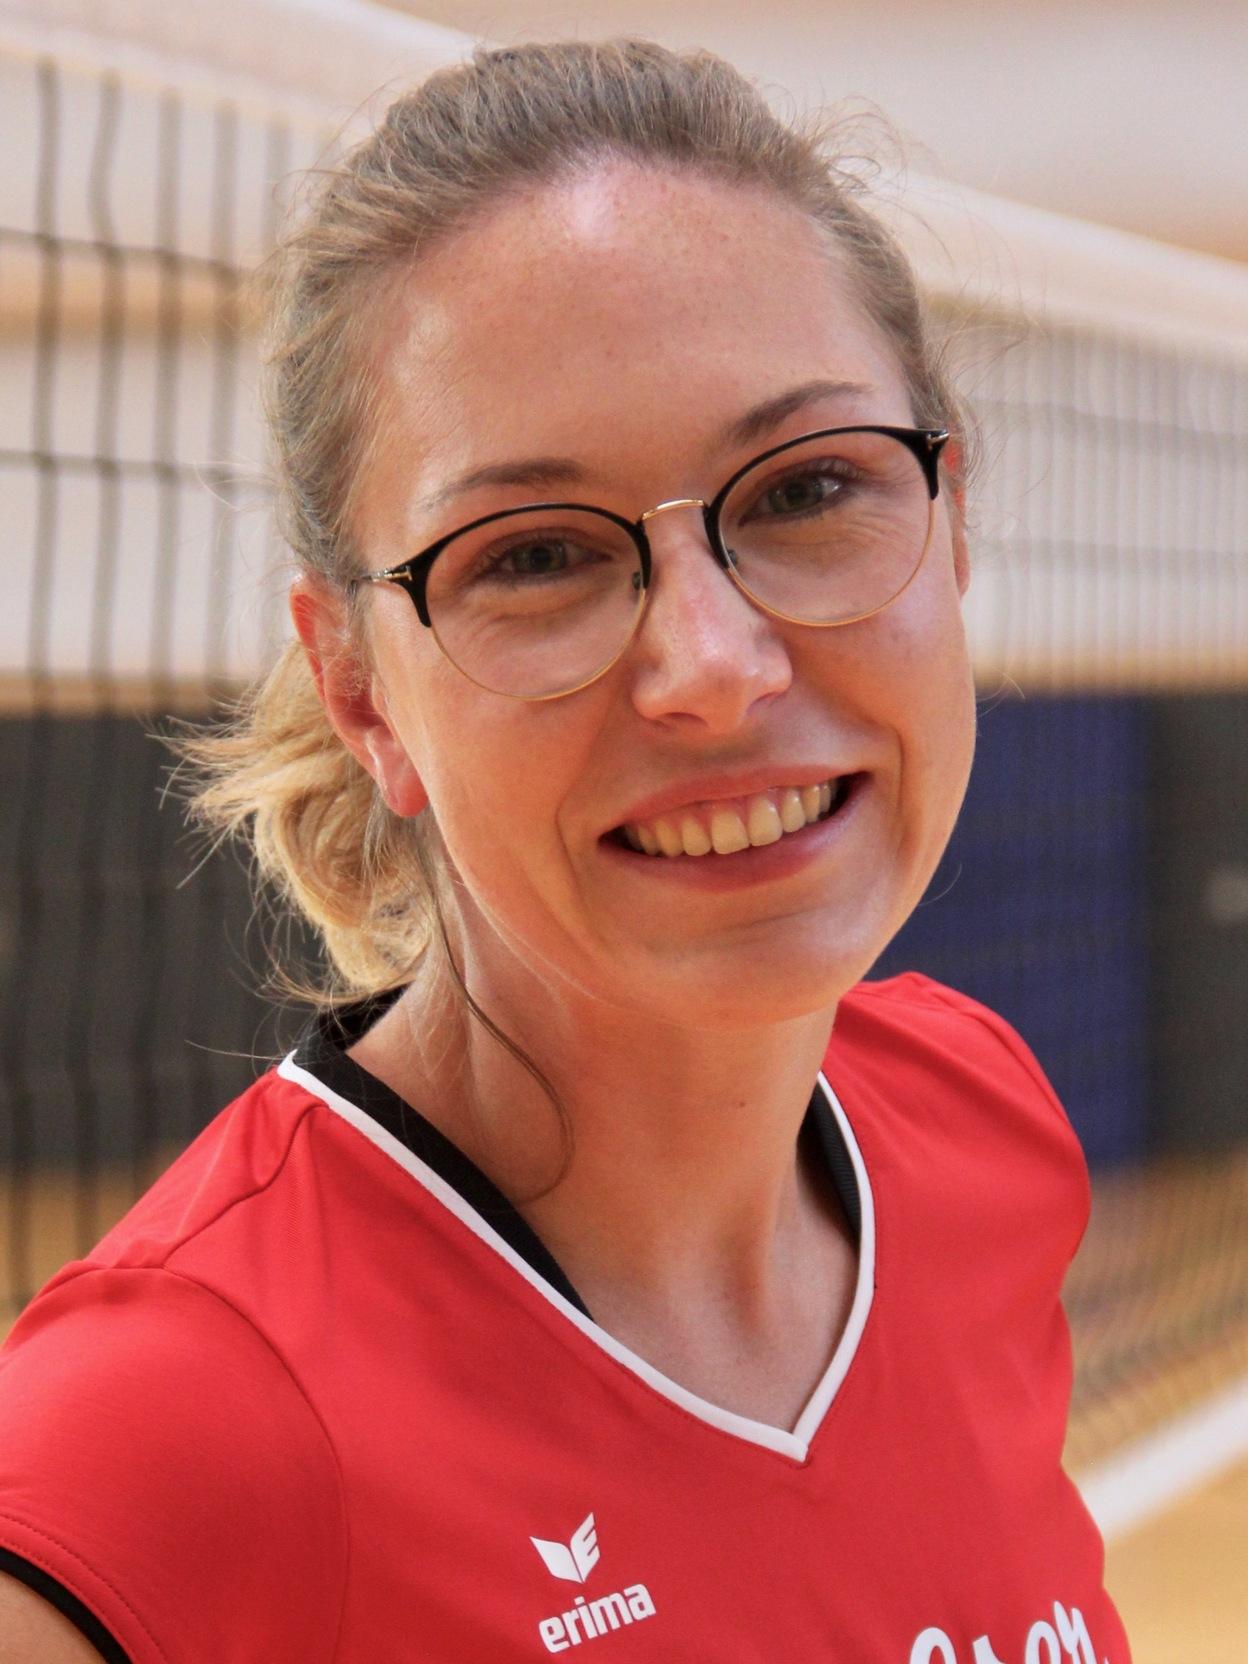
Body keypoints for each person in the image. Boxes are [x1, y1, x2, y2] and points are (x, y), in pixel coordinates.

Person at [0, 38, 1131, 1664]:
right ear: (358, 688)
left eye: (811, 485)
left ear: (954, 527)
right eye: (534, 554)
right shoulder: (176, 1425)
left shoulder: (977, 1121)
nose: (715, 665)